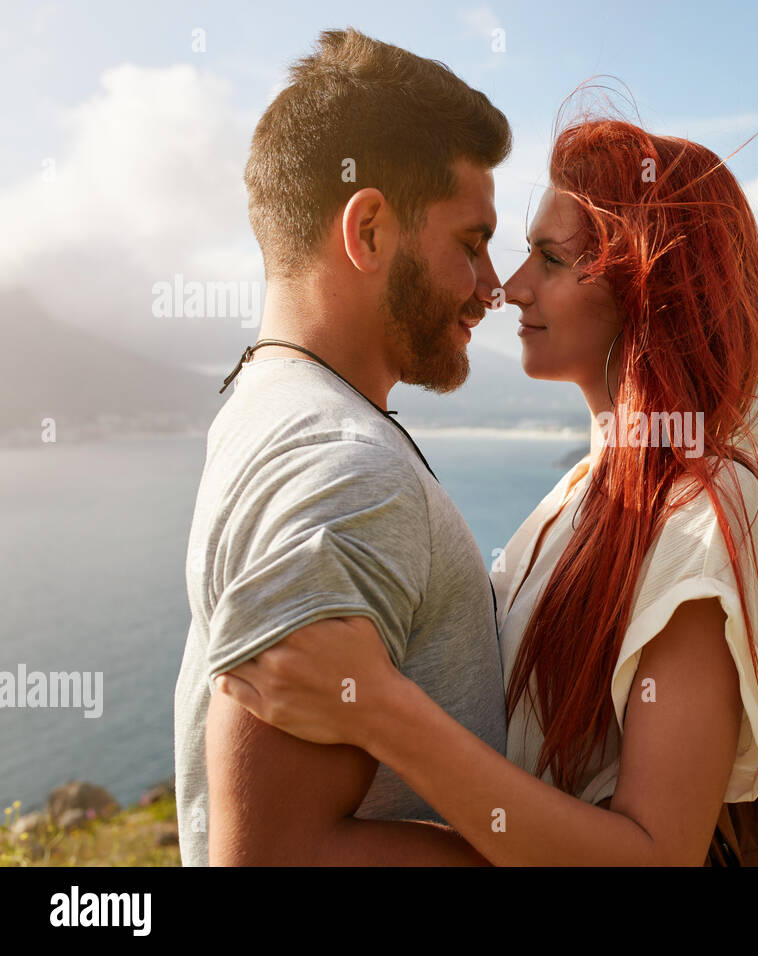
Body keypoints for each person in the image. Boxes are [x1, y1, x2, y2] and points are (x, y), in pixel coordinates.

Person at [214, 110, 758, 865]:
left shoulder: (702, 512)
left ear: (647, 291)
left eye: (550, 259)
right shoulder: (579, 495)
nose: (510, 288)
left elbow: (658, 856)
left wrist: (381, 711)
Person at [173, 27, 515, 865]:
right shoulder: (345, 468)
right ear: (368, 231)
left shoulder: (264, 404)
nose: (493, 288)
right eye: (471, 244)